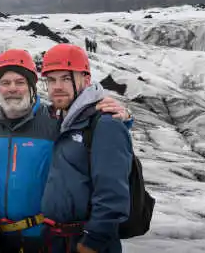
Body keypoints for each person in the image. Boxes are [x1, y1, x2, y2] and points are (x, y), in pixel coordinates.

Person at [0, 49, 132, 253]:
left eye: (20, 82)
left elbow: (111, 183)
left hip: (46, 238)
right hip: (4, 238)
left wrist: (124, 117)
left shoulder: (54, 120)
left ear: (32, 86)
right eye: (5, 83)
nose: (12, 88)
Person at [40, 44, 132, 253]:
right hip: (56, 240)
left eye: (66, 78)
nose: (57, 86)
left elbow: (113, 193)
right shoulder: (59, 119)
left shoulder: (105, 124)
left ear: (86, 80)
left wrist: (93, 242)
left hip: (86, 241)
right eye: (52, 80)